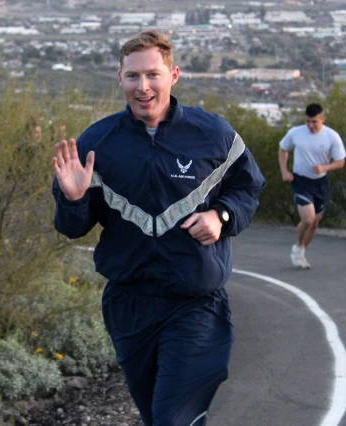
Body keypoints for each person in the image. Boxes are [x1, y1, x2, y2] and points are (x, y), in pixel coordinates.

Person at [51, 30, 265, 426]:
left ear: (173, 75)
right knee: (156, 417)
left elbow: (248, 186)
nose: (143, 86)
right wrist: (75, 199)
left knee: (173, 419)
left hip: (196, 303)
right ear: (120, 79)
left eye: (153, 74)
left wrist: (221, 216)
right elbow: (72, 227)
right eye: (132, 76)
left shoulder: (212, 134)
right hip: (128, 305)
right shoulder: (97, 143)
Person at [278, 103, 345, 269]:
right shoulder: (295, 133)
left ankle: (300, 250)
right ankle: (299, 246)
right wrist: (284, 171)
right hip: (300, 181)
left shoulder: (332, 136)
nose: (310, 125)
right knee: (307, 218)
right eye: (307, 121)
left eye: (314, 121)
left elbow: (340, 162)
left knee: (314, 223)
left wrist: (324, 168)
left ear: (322, 119)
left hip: (321, 183)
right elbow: (282, 149)